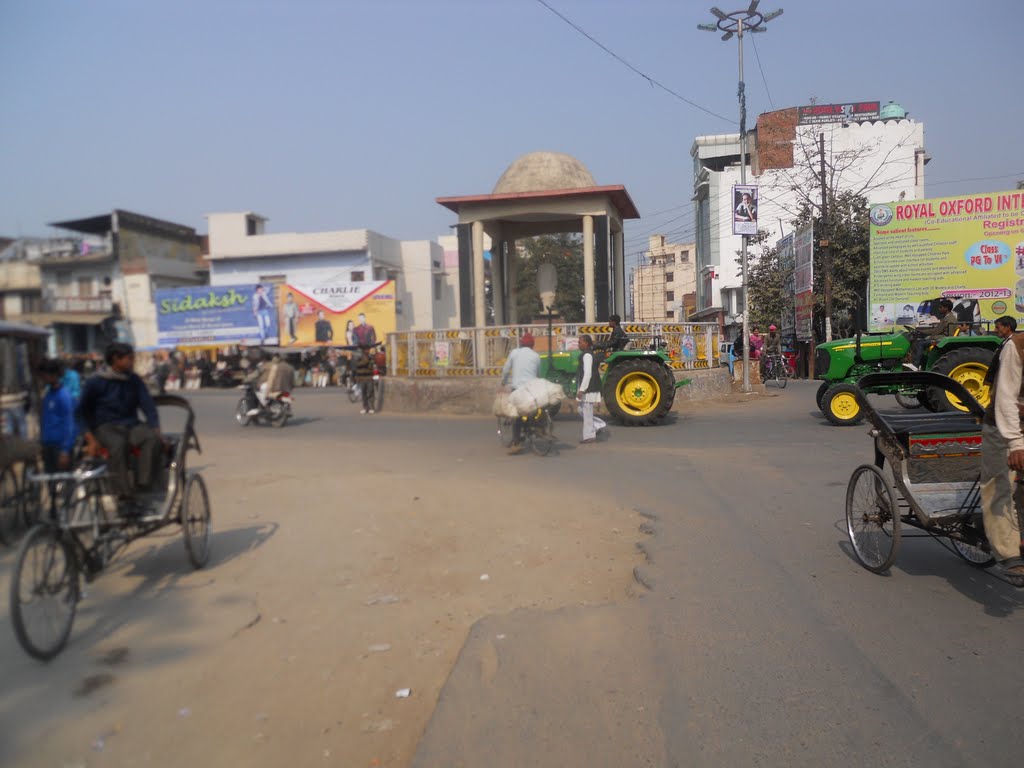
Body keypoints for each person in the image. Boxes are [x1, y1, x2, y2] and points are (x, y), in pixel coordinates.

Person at [78, 343, 163, 506]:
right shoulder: (95, 382)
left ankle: (142, 485)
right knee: (118, 445)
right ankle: (123, 494)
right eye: (129, 359)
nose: (132, 362)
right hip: (105, 427)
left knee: (152, 439)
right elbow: (80, 412)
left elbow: (148, 407)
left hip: (130, 425)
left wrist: (156, 429)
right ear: (116, 359)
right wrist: (90, 438)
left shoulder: (134, 380)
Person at [979, 315, 1024, 585]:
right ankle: (1008, 554)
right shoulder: (1015, 347)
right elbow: (1005, 397)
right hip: (1004, 425)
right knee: (999, 484)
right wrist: (1016, 443)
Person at [36, 360, 77, 474]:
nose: (42, 378)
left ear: (54, 375)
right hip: (48, 445)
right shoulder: (48, 395)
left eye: (44, 375)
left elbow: (70, 424)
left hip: (60, 446)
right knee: (51, 484)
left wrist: (65, 451)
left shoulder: (64, 396)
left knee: (65, 483)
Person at [576, 334, 606, 444]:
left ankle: (589, 436)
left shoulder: (587, 355)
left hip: (589, 387)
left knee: (587, 411)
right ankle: (598, 425)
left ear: (586, 343)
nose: (578, 344)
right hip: (589, 387)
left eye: (580, 342)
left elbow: (587, 373)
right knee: (582, 409)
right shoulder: (587, 354)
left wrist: (582, 389)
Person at [909, 299, 956, 368]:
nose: (939, 309)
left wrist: (931, 337)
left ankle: (915, 365)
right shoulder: (946, 318)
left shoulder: (950, 319)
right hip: (939, 338)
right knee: (919, 340)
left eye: (941, 307)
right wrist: (921, 332)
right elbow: (936, 330)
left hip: (941, 341)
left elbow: (949, 336)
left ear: (946, 308)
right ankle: (920, 364)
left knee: (920, 343)